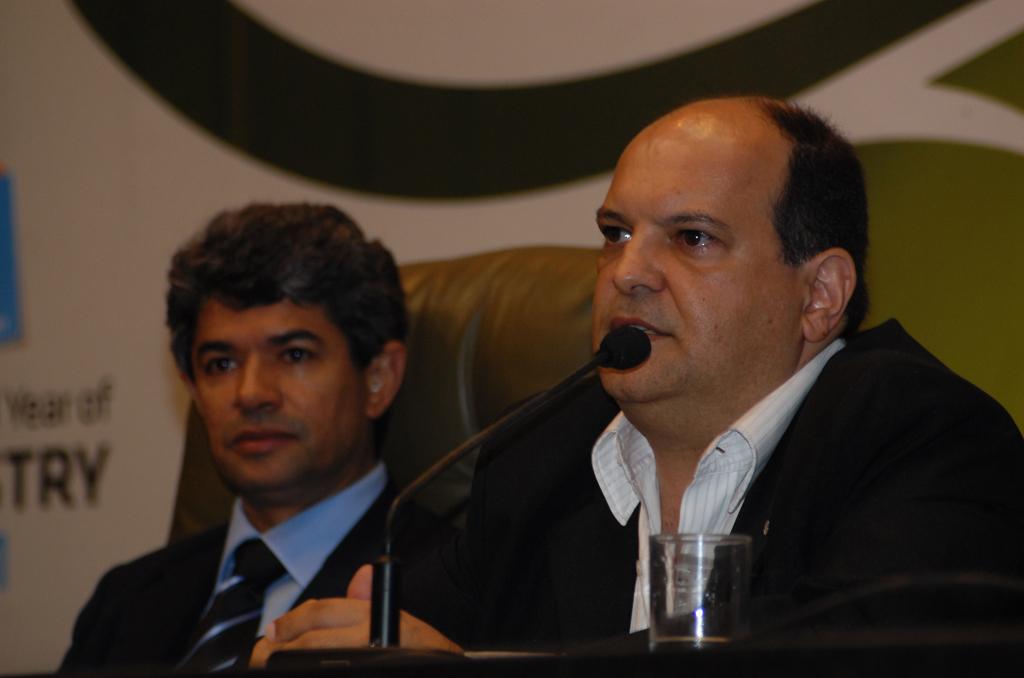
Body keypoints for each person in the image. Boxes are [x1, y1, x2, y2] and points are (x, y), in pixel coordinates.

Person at [250, 97, 1024, 663]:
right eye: (615, 233)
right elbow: (411, 635)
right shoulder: (541, 454)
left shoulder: (925, 434)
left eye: (691, 238)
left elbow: (847, 654)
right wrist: (328, 645)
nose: (627, 272)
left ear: (820, 295)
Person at [61, 203, 452, 672]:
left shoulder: (464, 590)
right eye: (221, 364)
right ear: (193, 390)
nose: (250, 394)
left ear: (378, 379)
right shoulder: (125, 601)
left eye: (294, 355)